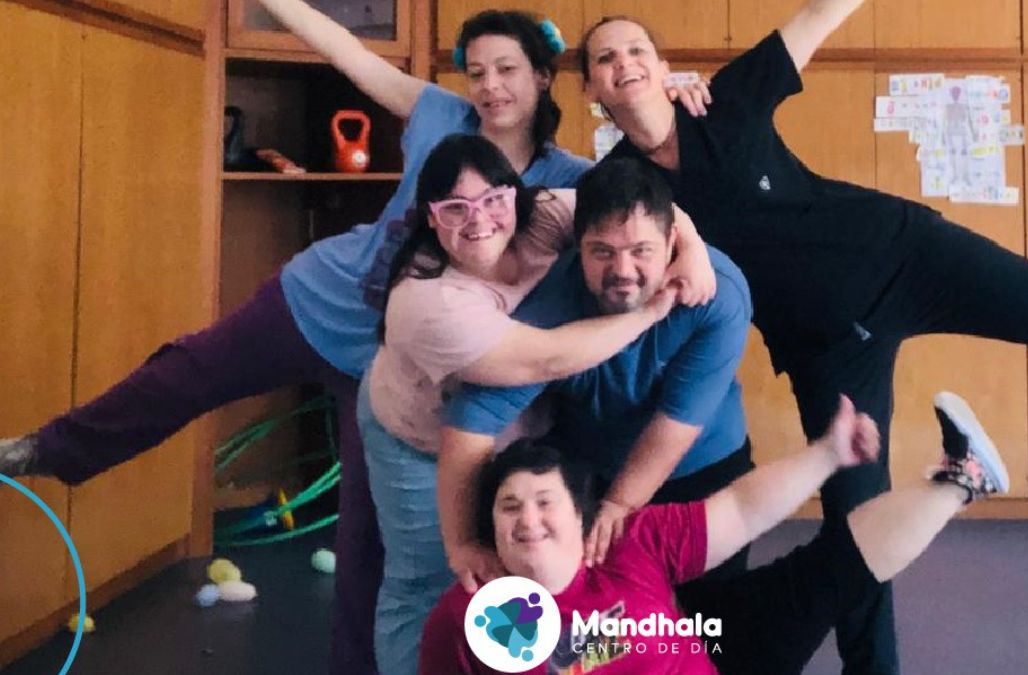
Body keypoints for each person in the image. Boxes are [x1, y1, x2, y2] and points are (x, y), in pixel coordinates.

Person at [575, 5, 1028, 673]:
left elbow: (818, 16)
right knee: (855, 523)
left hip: (906, 256)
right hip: (824, 347)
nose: (624, 64)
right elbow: (570, 219)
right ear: (589, 87)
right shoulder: (624, 189)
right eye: (605, 59)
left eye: (636, 50)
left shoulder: (725, 100)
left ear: (663, 65)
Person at [0, 6, 602, 674]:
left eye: (507, 70)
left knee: (367, 543)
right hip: (317, 299)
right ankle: (43, 449)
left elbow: (646, 209)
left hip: (392, 374)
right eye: (478, 72)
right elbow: (352, 55)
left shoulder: (570, 179)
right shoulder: (441, 115)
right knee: (184, 372)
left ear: (543, 75)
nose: (490, 87)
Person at [357, 133, 714, 674]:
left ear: (515, 196)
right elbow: (546, 359)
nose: (478, 220)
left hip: (514, 431)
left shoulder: (543, 214)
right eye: (455, 208)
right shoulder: (426, 301)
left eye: (492, 200)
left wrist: (694, 250)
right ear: (431, 218)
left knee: (531, 573)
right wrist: (650, 312)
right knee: (431, 581)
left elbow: (639, 210)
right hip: (418, 436)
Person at [420, 390, 1010, 674]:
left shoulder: (625, 543)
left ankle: (965, 478)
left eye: (544, 502)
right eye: (509, 507)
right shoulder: (466, 615)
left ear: (581, 516)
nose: (527, 519)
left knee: (825, 573)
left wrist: (828, 454)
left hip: (712, 650)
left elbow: (742, 510)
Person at [438, 157, 754, 616]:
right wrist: (463, 542)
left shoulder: (715, 294)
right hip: (591, 467)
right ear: (578, 244)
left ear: (672, 242)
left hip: (703, 462)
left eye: (641, 251)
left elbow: (676, 423)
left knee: (715, 622)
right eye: (602, 251)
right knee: (599, 626)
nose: (623, 270)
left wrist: (621, 504)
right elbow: (470, 423)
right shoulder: (549, 307)